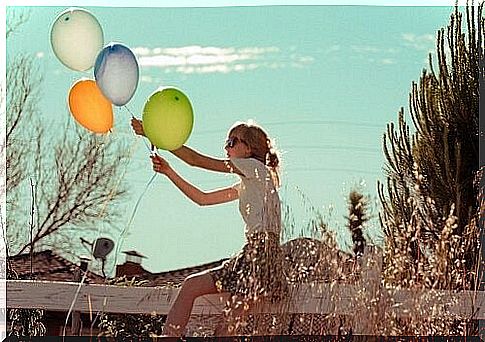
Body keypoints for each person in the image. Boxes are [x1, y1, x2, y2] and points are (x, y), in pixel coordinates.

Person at [131, 118, 288, 337]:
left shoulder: (255, 168)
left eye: (233, 141)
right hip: (256, 255)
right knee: (195, 292)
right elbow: (202, 199)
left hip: (260, 256)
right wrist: (169, 172)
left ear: (249, 149)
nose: (227, 147)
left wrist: (153, 134)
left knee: (219, 325)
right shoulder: (250, 181)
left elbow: (195, 160)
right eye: (227, 141)